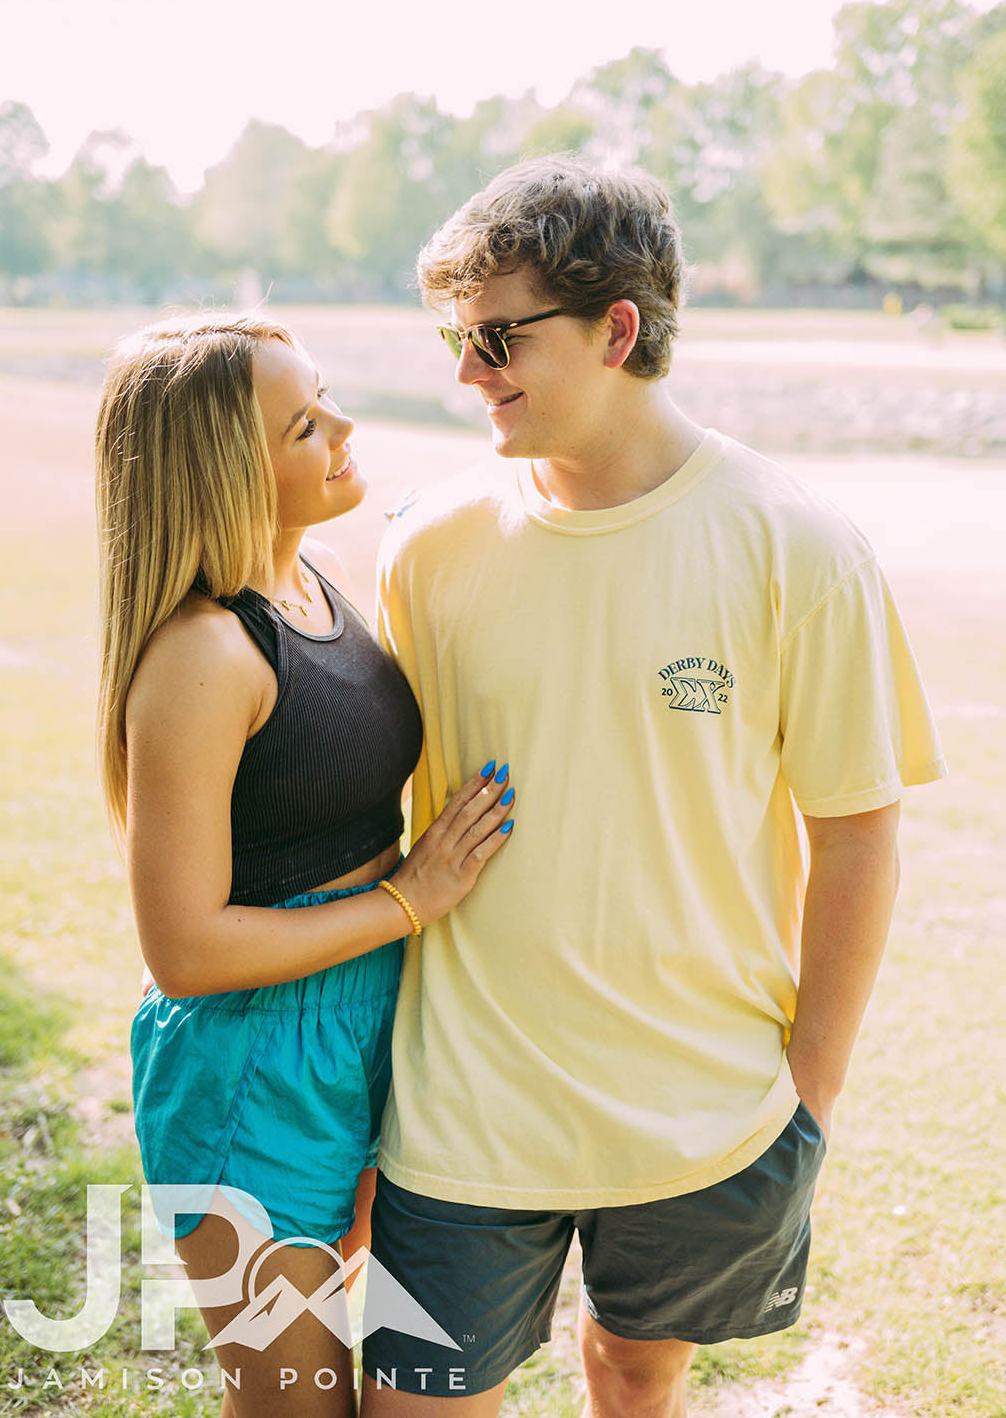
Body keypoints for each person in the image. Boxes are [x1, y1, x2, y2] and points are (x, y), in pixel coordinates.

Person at [359, 157, 947, 1418]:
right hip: (463, 1106)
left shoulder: (800, 545)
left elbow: (855, 833)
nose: (467, 372)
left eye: (498, 336)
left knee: (632, 1375)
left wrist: (811, 1091)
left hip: (706, 1115)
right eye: (455, 339)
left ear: (617, 329)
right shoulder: (425, 545)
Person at [94, 311, 516, 1418]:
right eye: (303, 425)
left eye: (324, 397)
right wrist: (406, 899)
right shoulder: (200, 654)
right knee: (295, 1400)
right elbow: (183, 950)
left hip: (368, 1024)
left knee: (369, 1373)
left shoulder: (316, 579)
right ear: (230, 471)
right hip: (252, 1071)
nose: (342, 426)